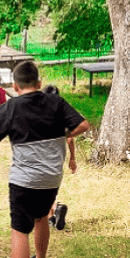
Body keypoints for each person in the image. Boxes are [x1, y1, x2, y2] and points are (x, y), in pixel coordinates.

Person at [0, 61, 89, 258]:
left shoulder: (11, 106)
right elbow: (83, 125)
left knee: (20, 230)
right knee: (42, 217)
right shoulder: (56, 103)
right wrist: (62, 135)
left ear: (15, 86)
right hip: (52, 177)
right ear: (39, 84)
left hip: (24, 179)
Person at [42, 84, 75, 230]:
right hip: (58, 157)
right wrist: (72, 158)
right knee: (51, 188)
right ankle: (52, 217)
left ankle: (55, 209)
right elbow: (70, 138)